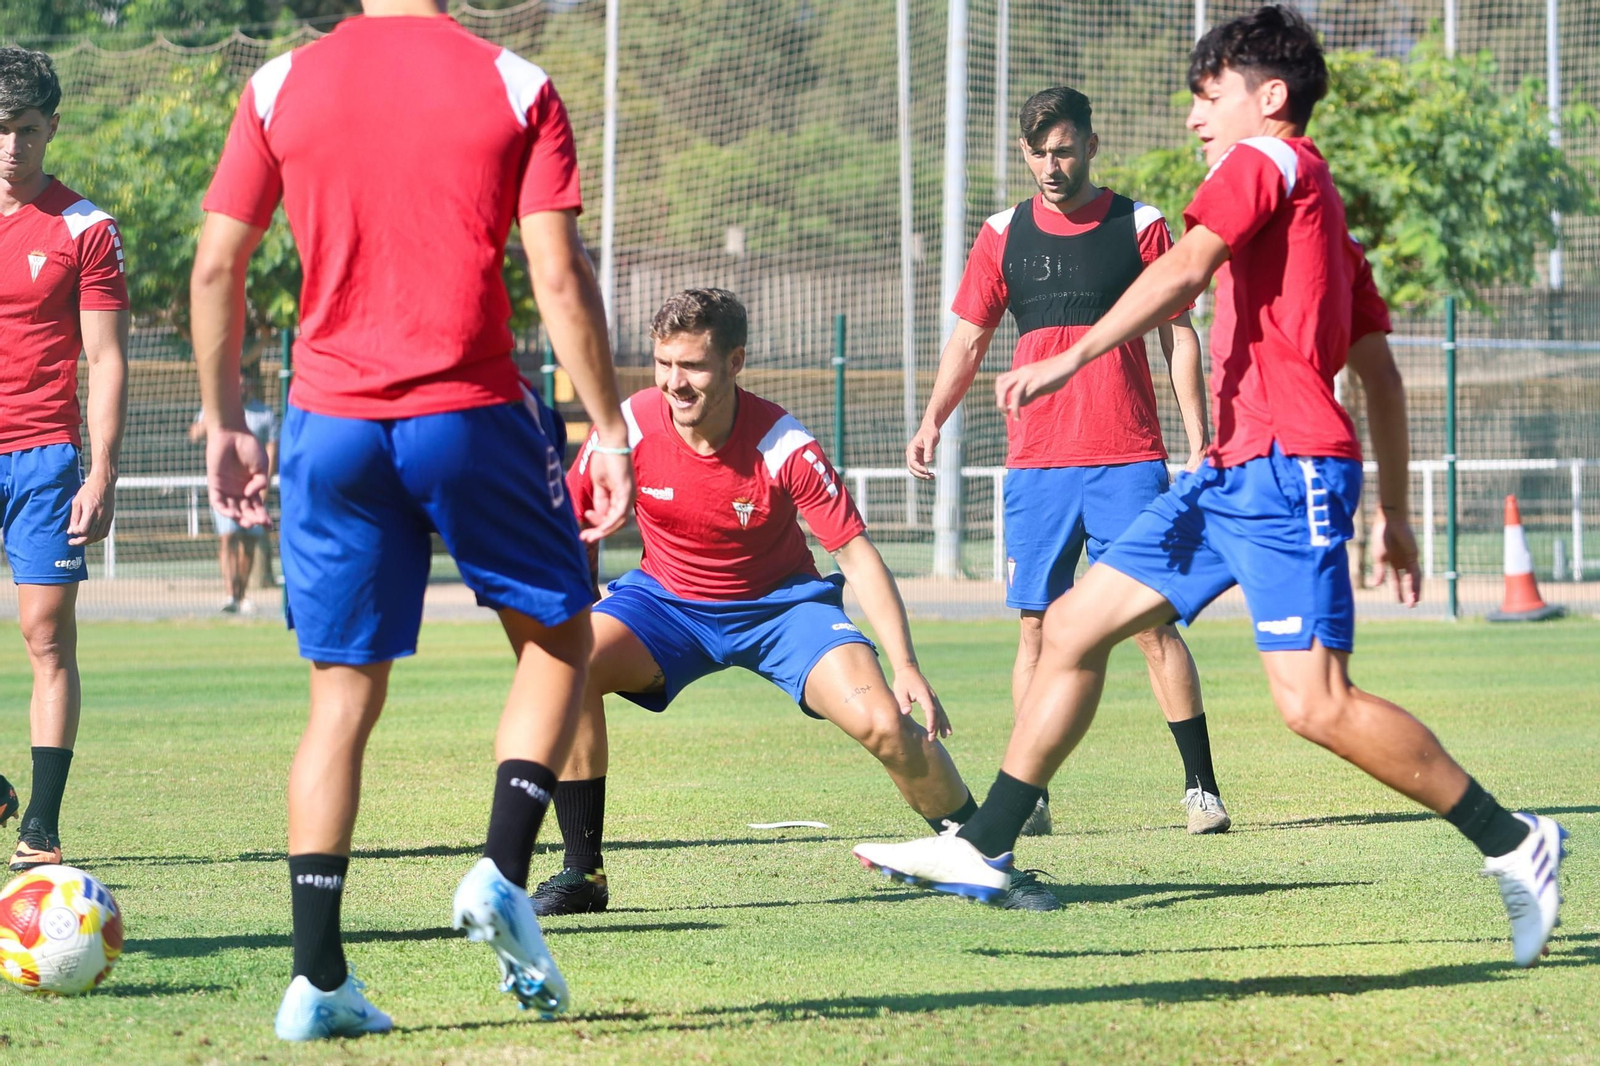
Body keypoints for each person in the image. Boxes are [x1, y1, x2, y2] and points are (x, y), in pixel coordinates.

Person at [853, 4, 1568, 969]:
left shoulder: (1267, 162)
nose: (1195, 118)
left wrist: (1078, 356)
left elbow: (1188, 270)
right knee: (1069, 628)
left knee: (1313, 705)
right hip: (1226, 475)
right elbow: (1382, 374)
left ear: (1269, 99)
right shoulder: (1317, 208)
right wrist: (1395, 510)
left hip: (1288, 472)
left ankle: (1514, 839)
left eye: (1210, 96)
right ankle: (986, 847)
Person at [189, 0, 634, 1040]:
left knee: (340, 695)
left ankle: (315, 980)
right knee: (563, 633)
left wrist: (222, 423)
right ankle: (501, 867)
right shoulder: (516, 84)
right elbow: (558, 276)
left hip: (328, 422)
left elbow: (218, 267)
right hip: (467, 411)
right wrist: (608, 427)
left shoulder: (279, 85)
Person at [535, 288, 1057, 916]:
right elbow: (570, 516)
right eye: (664, 363)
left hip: (783, 611)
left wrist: (906, 664)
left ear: (734, 363)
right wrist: (579, 595)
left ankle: (982, 856)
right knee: (567, 666)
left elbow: (857, 555)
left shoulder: (783, 444)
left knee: (887, 724)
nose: (676, 382)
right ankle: (582, 874)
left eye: (693, 365)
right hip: (666, 604)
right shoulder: (631, 425)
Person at [908, 86, 1227, 838]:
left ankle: (1201, 789)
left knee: (1152, 628)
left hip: (1128, 460)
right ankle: (1033, 796)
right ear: (1025, 153)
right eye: (1037, 152)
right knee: (1037, 631)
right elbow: (967, 341)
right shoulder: (1001, 233)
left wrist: (1198, 440)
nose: (1050, 165)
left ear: (1089, 144)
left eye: (1063, 149)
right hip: (1039, 465)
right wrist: (932, 418)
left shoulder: (1139, 225)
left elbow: (1179, 335)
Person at [0, 48, 129, 872]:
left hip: (45, 454)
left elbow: (107, 358)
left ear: (52, 128)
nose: (12, 146)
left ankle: (39, 832)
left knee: (45, 636)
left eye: (26, 130)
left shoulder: (87, 228)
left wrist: (103, 469)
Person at [189, 357, 277, 614]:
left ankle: (242, 595)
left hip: (251, 490)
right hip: (225, 489)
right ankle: (230, 594)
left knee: (248, 541)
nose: (241, 384)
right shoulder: (216, 408)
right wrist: (208, 420)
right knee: (227, 538)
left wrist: (265, 484)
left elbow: (272, 447)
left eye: (244, 380)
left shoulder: (264, 413)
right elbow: (195, 434)